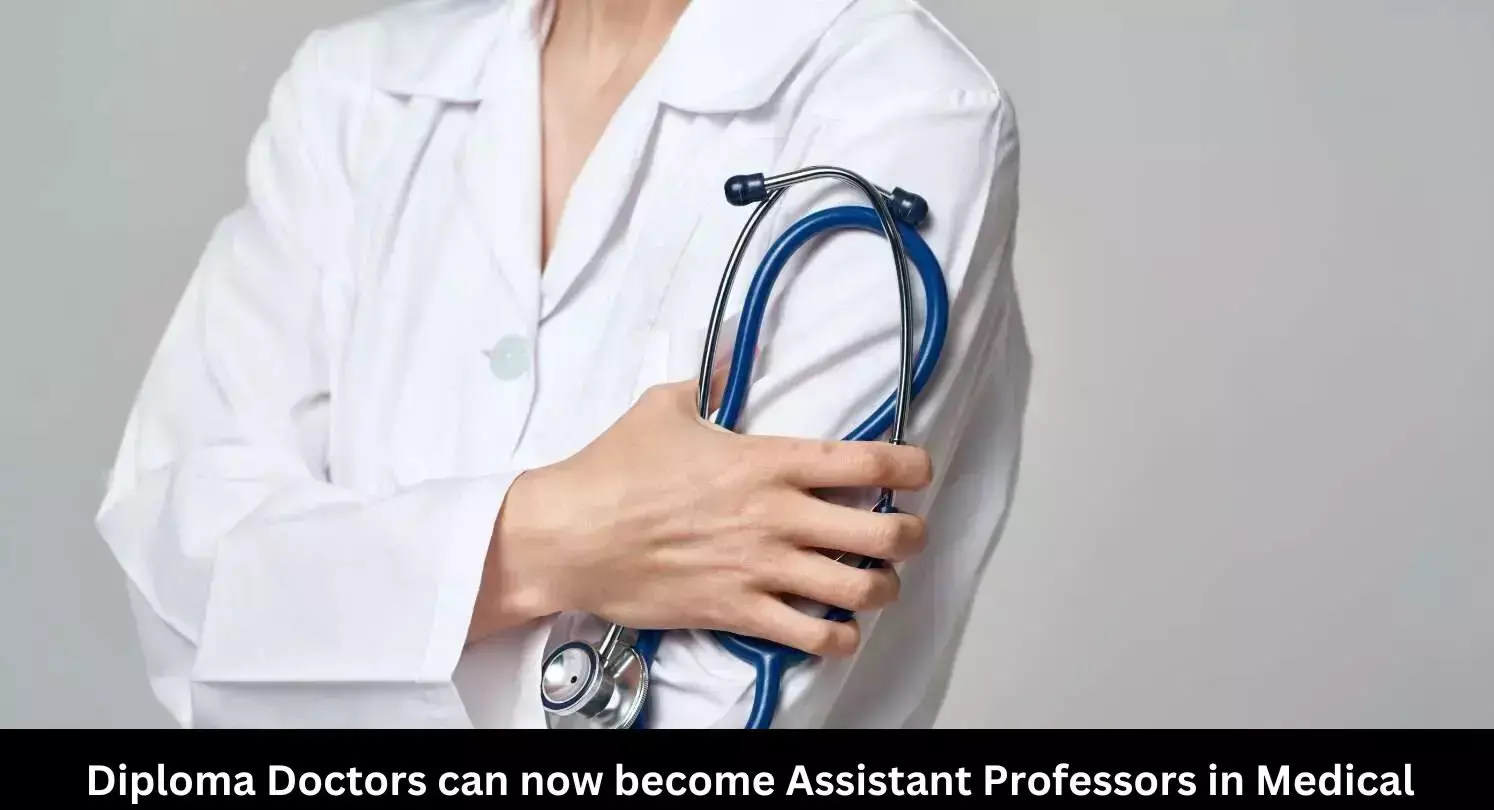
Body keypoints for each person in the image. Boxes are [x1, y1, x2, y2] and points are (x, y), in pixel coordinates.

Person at [95, 0, 1031, 729]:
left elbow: (708, 721)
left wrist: (329, 622)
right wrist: (542, 541)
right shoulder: (352, 94)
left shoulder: (903, 108)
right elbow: (185, 590)